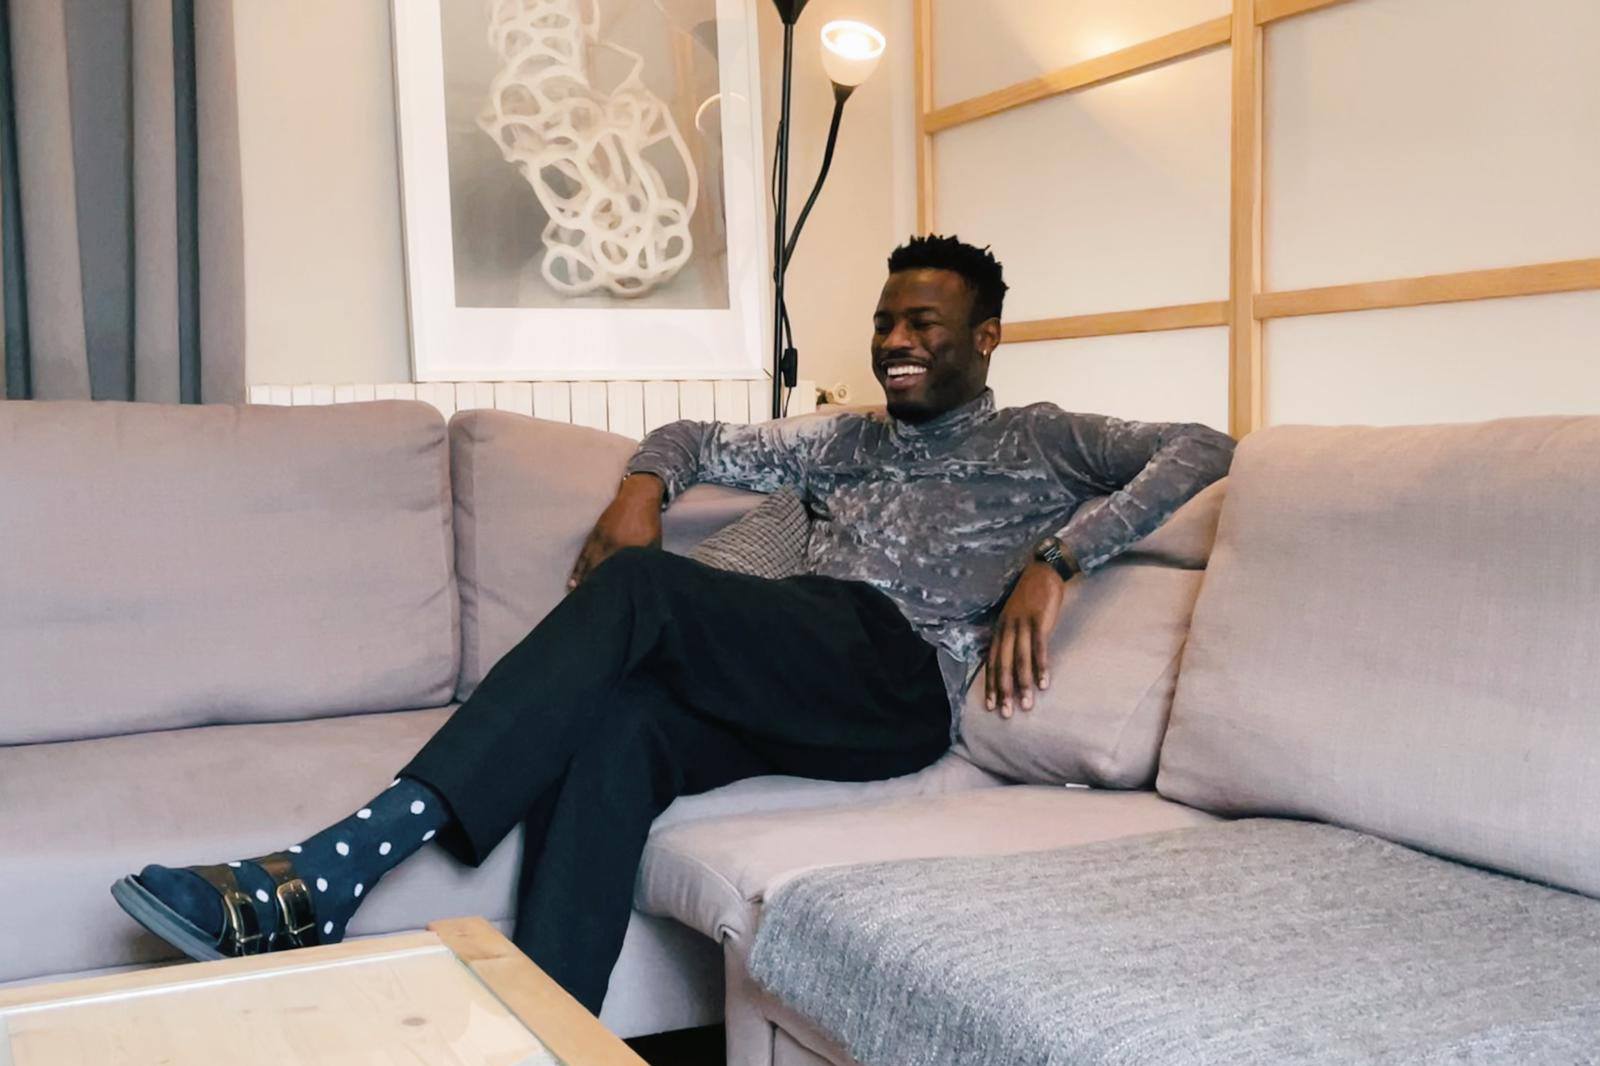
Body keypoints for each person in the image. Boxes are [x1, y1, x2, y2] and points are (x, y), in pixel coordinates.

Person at [112, 235, 1236, 1013]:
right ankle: (551, 1024)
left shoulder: (1041, 439)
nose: (896, 339)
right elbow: (692, 436)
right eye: (885, 320)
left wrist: (1057, 557)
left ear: (986, 338)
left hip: (900, 683)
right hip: (803, 668)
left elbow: (1204, 446)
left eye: (924, 323)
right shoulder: (845, 438)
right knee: (620, 732)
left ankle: (331, 871)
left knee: (644, 593)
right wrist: (640, 489)